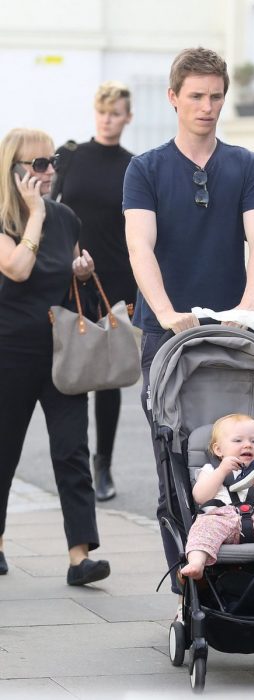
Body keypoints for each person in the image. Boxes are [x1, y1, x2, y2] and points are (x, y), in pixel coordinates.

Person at [122, 47, 254, 604]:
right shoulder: (146, 168)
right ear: (174, 98)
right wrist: (165, 313)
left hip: (232, 337)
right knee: (175, 463)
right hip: (167, 337)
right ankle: (193, 591)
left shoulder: (244, 166)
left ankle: (248, 578)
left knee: (244, 456)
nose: (207, 107)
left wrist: (248, 302)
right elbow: (140, 245)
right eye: (196, 96)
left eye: (216, 96)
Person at [0, 128, 110, 585]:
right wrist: (34, 215)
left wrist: (83, 274)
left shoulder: (67, 218)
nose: (48, 171)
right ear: (14, 172)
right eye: (37, 164)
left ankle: (79, 556)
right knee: (4, 451)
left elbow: (70, 277)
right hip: (10, 350)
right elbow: (17, 268)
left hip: (62, 348)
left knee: (71, 450)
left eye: (52, 163)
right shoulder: (10, 219)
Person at [51, 81, 136, 502]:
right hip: (68, 277)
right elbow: (51, 208)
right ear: (95, 113)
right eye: (102, 111)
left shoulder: (134, 165)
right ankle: (74, 463)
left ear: (127, 117)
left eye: (115, 112)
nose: (107, 118)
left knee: (106, 377)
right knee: (70, 372)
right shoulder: (70, 157)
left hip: (115, 279)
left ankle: (103, 465)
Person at [180, 414, 254, 589]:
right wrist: (221, 471)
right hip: (221, 516)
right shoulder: (211, 470)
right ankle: (196, 563)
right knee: (203, 526)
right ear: (219, 450)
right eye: (238, 441)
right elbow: (201, 497)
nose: (247, 445)